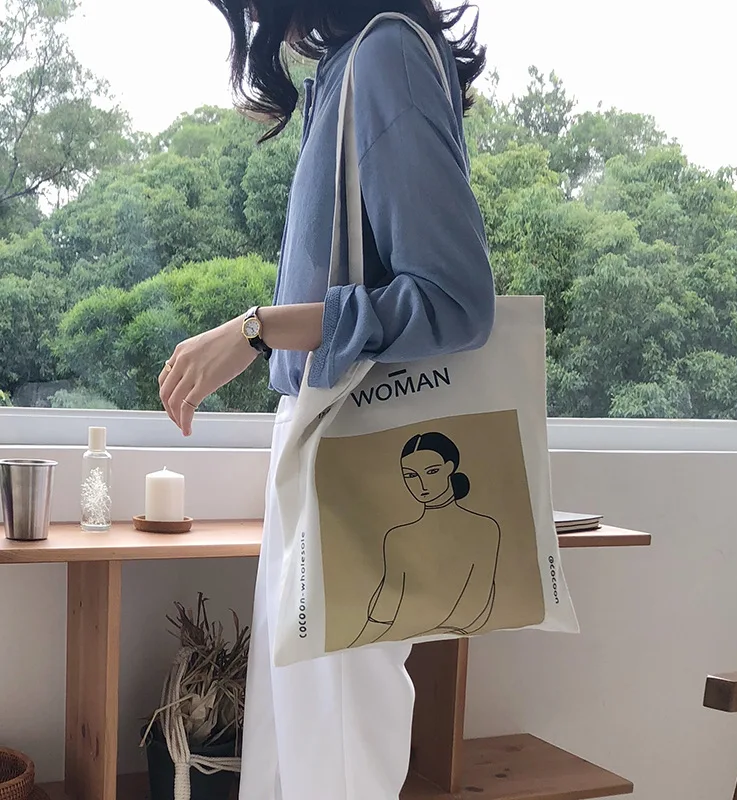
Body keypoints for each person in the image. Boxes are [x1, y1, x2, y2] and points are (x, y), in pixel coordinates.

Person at [158, 1, 494, 797]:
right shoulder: (352, 67)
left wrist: (256, 329)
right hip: (327, 445)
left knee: (332, 755)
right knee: (308, 749)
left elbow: (457, 301)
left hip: (352, 450)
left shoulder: (384, 57)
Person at [351, 432, 501, 647]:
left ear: (449, 468)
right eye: (410, 475)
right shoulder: (397, 536)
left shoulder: (485, 529)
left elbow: (476, 602)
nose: (421, 484)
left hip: (439, 633)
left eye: (432, 471)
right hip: (393, 638)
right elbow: (384, 609)